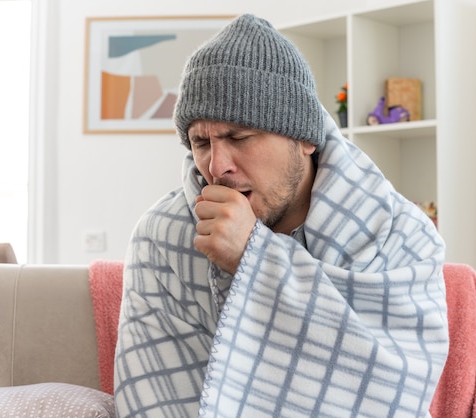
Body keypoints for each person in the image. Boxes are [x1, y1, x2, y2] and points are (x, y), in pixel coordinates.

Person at [114, 13, 448, 418]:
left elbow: (394, 393)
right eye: (201, 142)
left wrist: (252, 258)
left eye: (239, 137)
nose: (217, 166)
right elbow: (154, 397)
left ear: (305, 138)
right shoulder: (163, 235)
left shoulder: (401, 234)